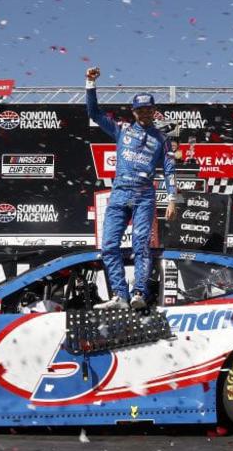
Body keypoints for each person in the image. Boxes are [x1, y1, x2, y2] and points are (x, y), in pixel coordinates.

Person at [85, 66, 177, 310]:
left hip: (144, 196)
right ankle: (120, 296)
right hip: (120, 194)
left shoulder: (163, 139)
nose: (145, 113)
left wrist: (172, 199)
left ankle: (139, 293)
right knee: (109, 246)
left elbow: (170, 170)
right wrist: (90, 84)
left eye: (149, 109)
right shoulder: (121, 129)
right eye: (140, 110)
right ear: (133, 112)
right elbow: (94, 113)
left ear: (154, 111)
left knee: (141, 245)